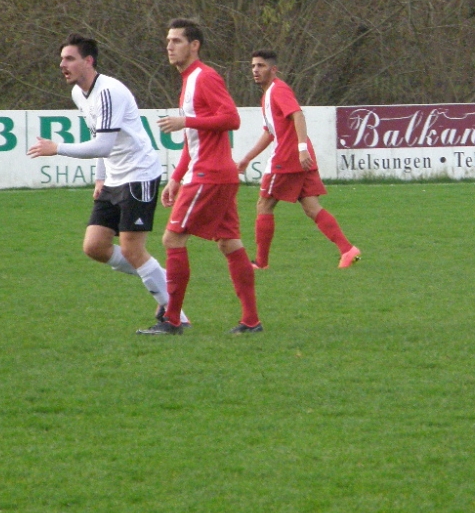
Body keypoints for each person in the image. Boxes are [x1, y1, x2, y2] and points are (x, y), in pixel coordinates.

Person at [28, 33, 185, 331]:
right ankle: (165, 280)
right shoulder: (79, 94)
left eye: (70, 58)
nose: (62, 64)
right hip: (114, 178)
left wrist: (57, 147)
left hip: (138, 175)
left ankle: (175, 316)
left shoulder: (109, 92)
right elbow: (98, 136)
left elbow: (102, 145)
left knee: (132, 250)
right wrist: (101, 177)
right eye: (62, 59)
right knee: (95, 246)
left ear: (89, 61)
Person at [137, 19, 262, 335]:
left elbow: (231, 118)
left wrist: (187, 121)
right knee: (229, 243)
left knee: (172, 238)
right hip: (216, 173)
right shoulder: (189, 81)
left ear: (194, 46)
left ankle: (172, 320)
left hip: (209, 174)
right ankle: (251, 321)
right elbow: (194, 140)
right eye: (168, 41)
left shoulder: (204, 77)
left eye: (177, 41)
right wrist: (176, 177)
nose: (169, 46)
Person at [236, 49, 360, 270]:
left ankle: (261, 263)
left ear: (273, 69)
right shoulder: (267, 95)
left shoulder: (278, 90)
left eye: (261, 66)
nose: (255, 70)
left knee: (264, 204)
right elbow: (270, 132)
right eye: (253, 66)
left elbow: (298, 115)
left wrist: (301, 149)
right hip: (300, 158)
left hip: (288, 158)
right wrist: (247, 158)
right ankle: (347, 250)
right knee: (312, 207)